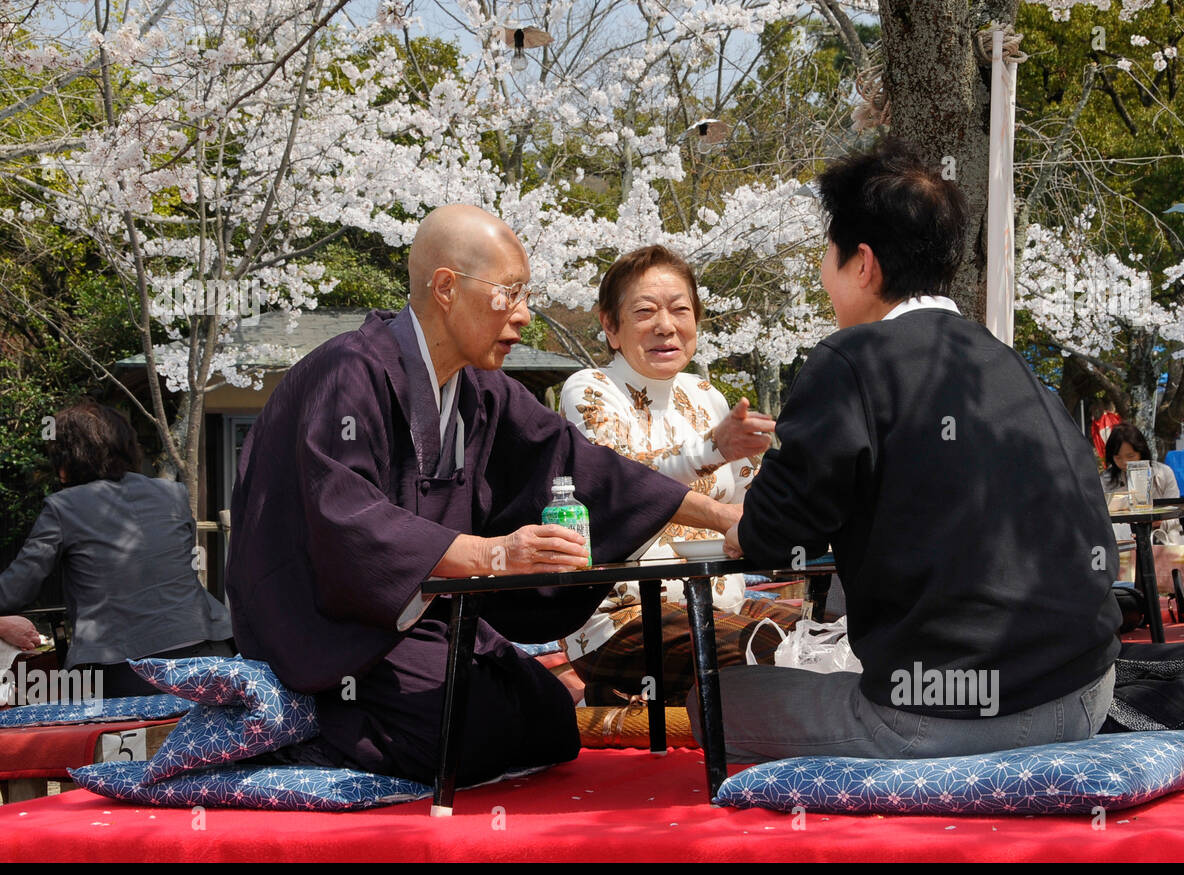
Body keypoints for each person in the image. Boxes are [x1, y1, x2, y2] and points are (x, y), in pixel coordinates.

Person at [225, 205, 740, 786]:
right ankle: (300, 720)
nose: (523, 316)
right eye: (509, 295)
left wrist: (725, 519)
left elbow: (588, 468)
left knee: (549, 721)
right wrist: (494, 554)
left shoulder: (480, 388)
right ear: (446, 287)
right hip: (332, 628)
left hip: (426, 617)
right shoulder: (349, 372)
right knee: (458, 732)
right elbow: (349, 520)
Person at [702, 139, 1121, 763]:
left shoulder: (850, 359)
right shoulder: (1010, 364)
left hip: (941, 715)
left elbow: (770, 534)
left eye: (828, 254)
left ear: (863, 264)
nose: (824, 273)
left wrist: (745, 525)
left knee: (708, 701)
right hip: (1088, 694)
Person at [559, 245, 800, 706]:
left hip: (721, 602)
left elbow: (751, 501)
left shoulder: (705, 393)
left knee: (827, 635)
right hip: (626, 615)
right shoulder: (589, 389)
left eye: (680, 310)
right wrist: (712, 448)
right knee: (769, 650)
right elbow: (626, 485)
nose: (666, 326)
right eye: (645, 311)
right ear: (610, 326)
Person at [0, 402, 233, 697]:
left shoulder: (63, 507)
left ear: (67, 458)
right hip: (210, 653)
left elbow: (16, 590)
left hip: (126, 668)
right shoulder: (172, 493)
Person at [1100, 422, 1184, 543]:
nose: (1124, 462)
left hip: (1163, 540)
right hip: (1123, 542)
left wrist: (1158, 521)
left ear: (1141, 451)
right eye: (1118, 457)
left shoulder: (1164, 473)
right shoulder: (1106, 479)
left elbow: (1176, 513)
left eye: (1130, 456)